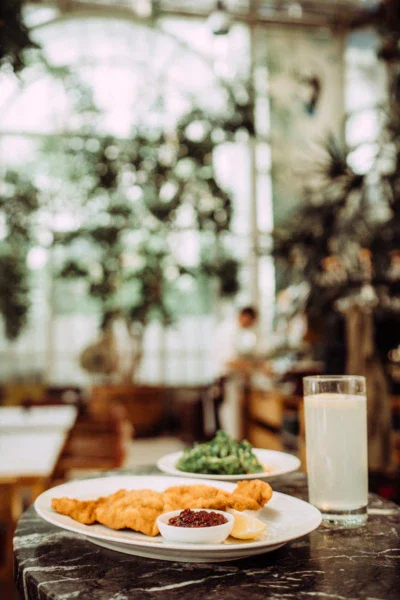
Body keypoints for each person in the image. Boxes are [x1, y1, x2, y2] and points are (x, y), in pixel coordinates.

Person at [206, 307, 260, 439]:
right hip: (224, 382)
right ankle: (228, 452)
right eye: (251, 321)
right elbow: (229, 360)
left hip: (227, 381)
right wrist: (255, 367)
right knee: (228, 422)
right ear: (245, 316)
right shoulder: (229, 331)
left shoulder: (232, 330)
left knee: (227, 421)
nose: (251, 325)